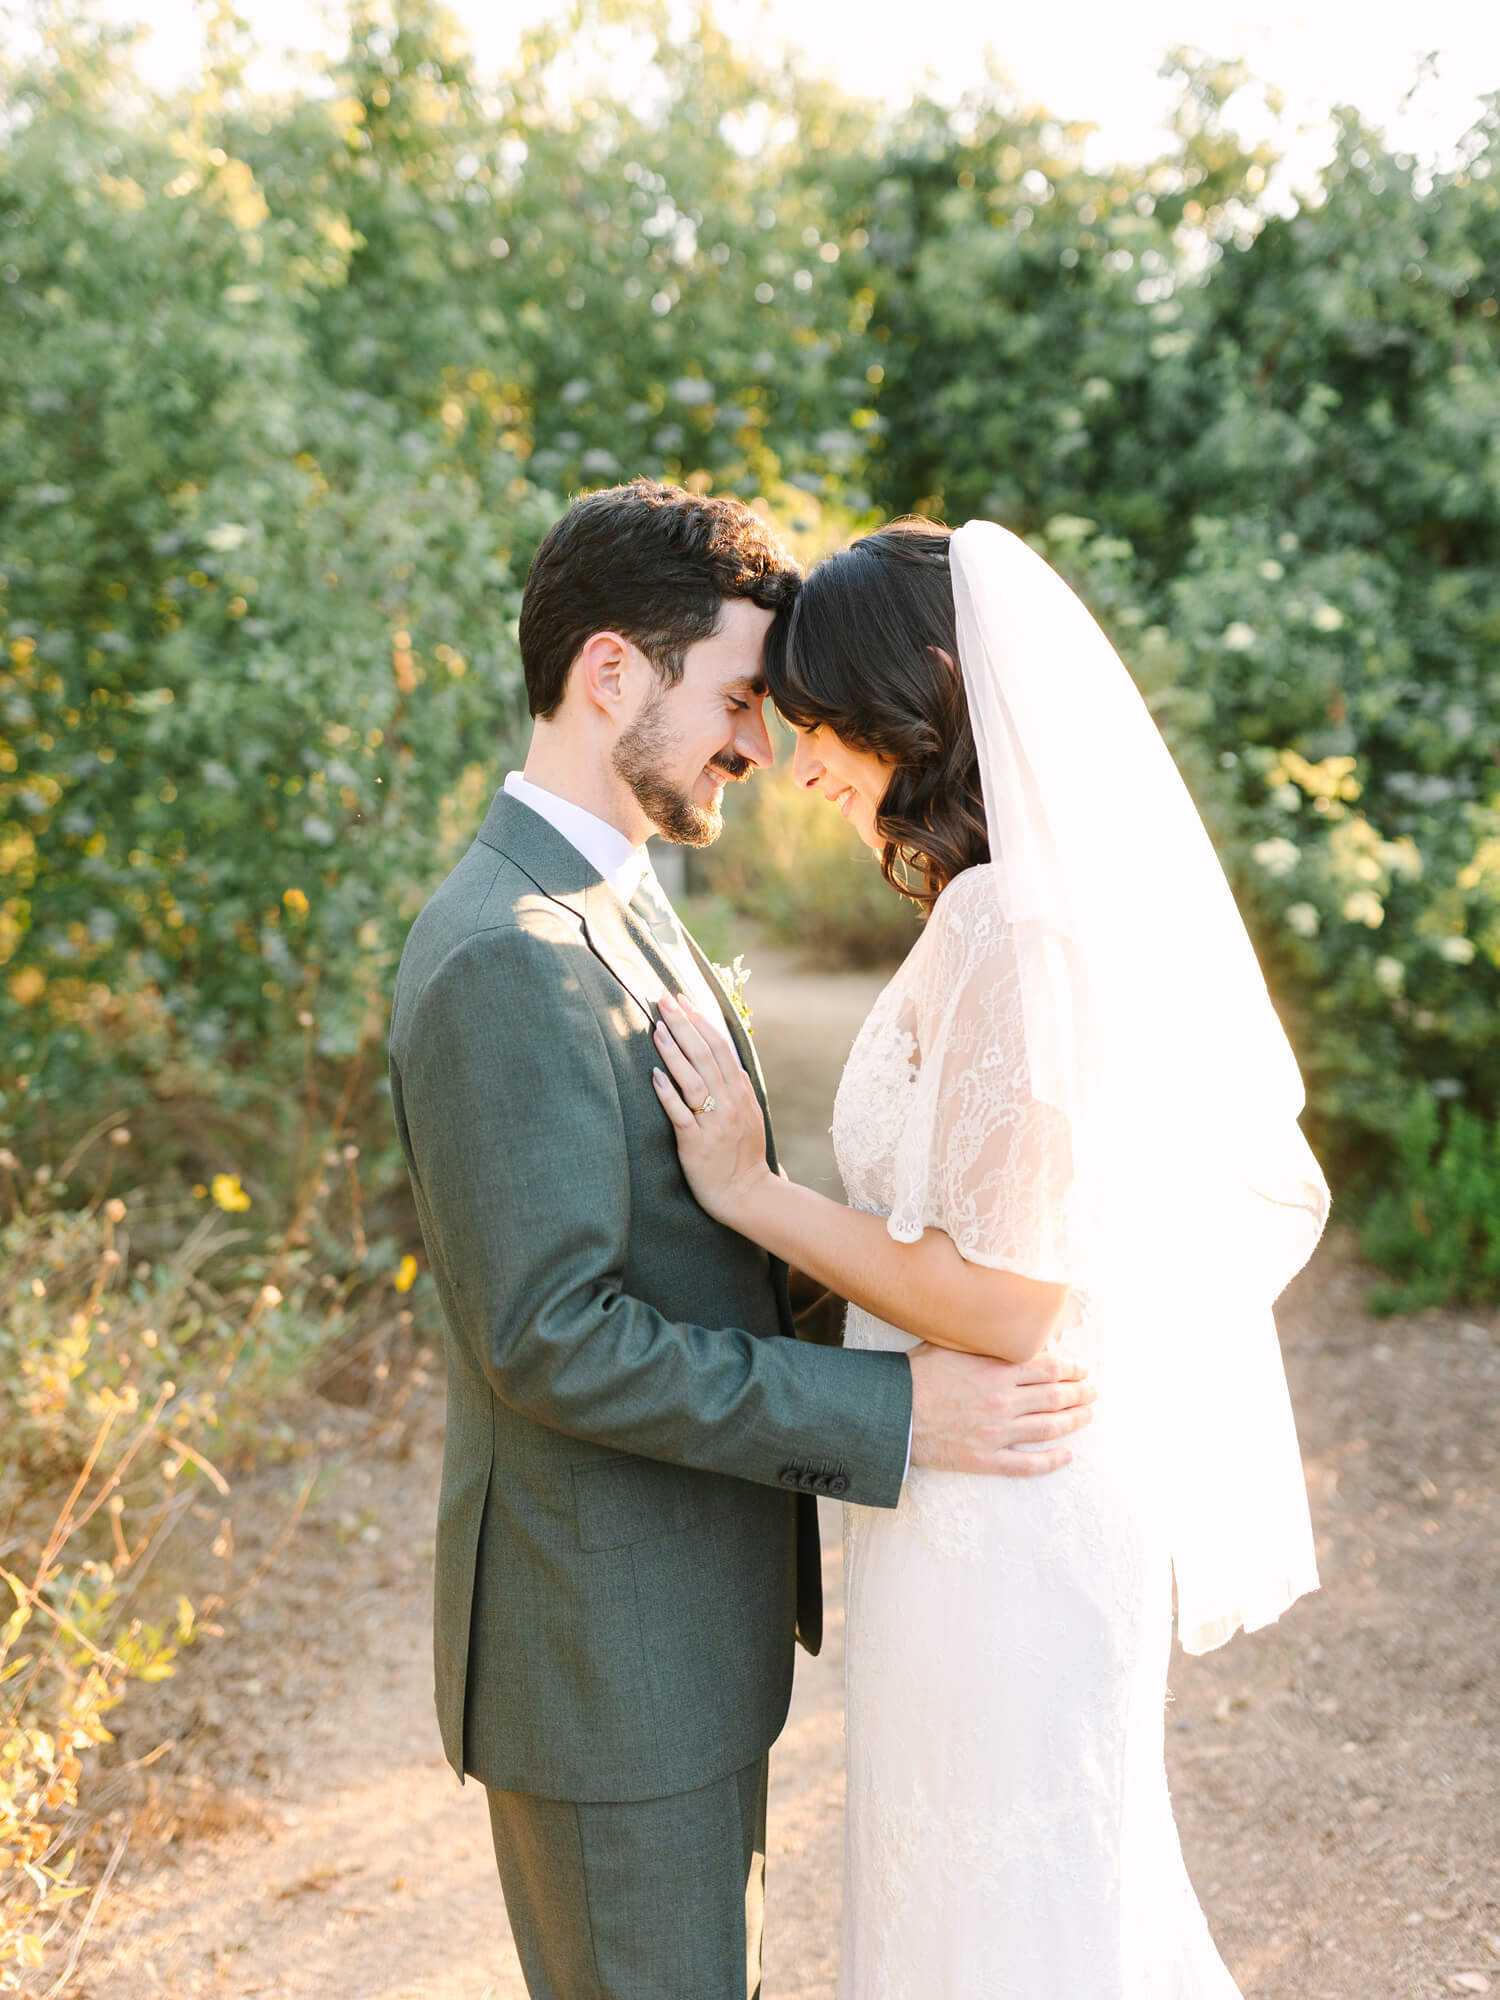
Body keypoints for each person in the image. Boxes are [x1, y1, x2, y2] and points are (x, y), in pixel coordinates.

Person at [386, 482, 1097, 2000]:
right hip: (605, 1668)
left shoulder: (617, 904)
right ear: (610, 673)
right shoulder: (502, 957)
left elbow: (714, 1243)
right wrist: (900, 1410)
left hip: (687, 1643)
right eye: (737, 698)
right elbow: (551, 1340)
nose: (761, 749)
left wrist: (934, 1311)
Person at [652, 516, 1331, 1997]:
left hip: (1012, 1507)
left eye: (819, 715)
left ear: (928, 690)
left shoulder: (1016, 927)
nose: (799, 756)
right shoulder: (988, 908)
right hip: (959, 1496)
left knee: (1027, 1914)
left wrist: (749, 1193)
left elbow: (1009, 1300)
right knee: (972, 1894)